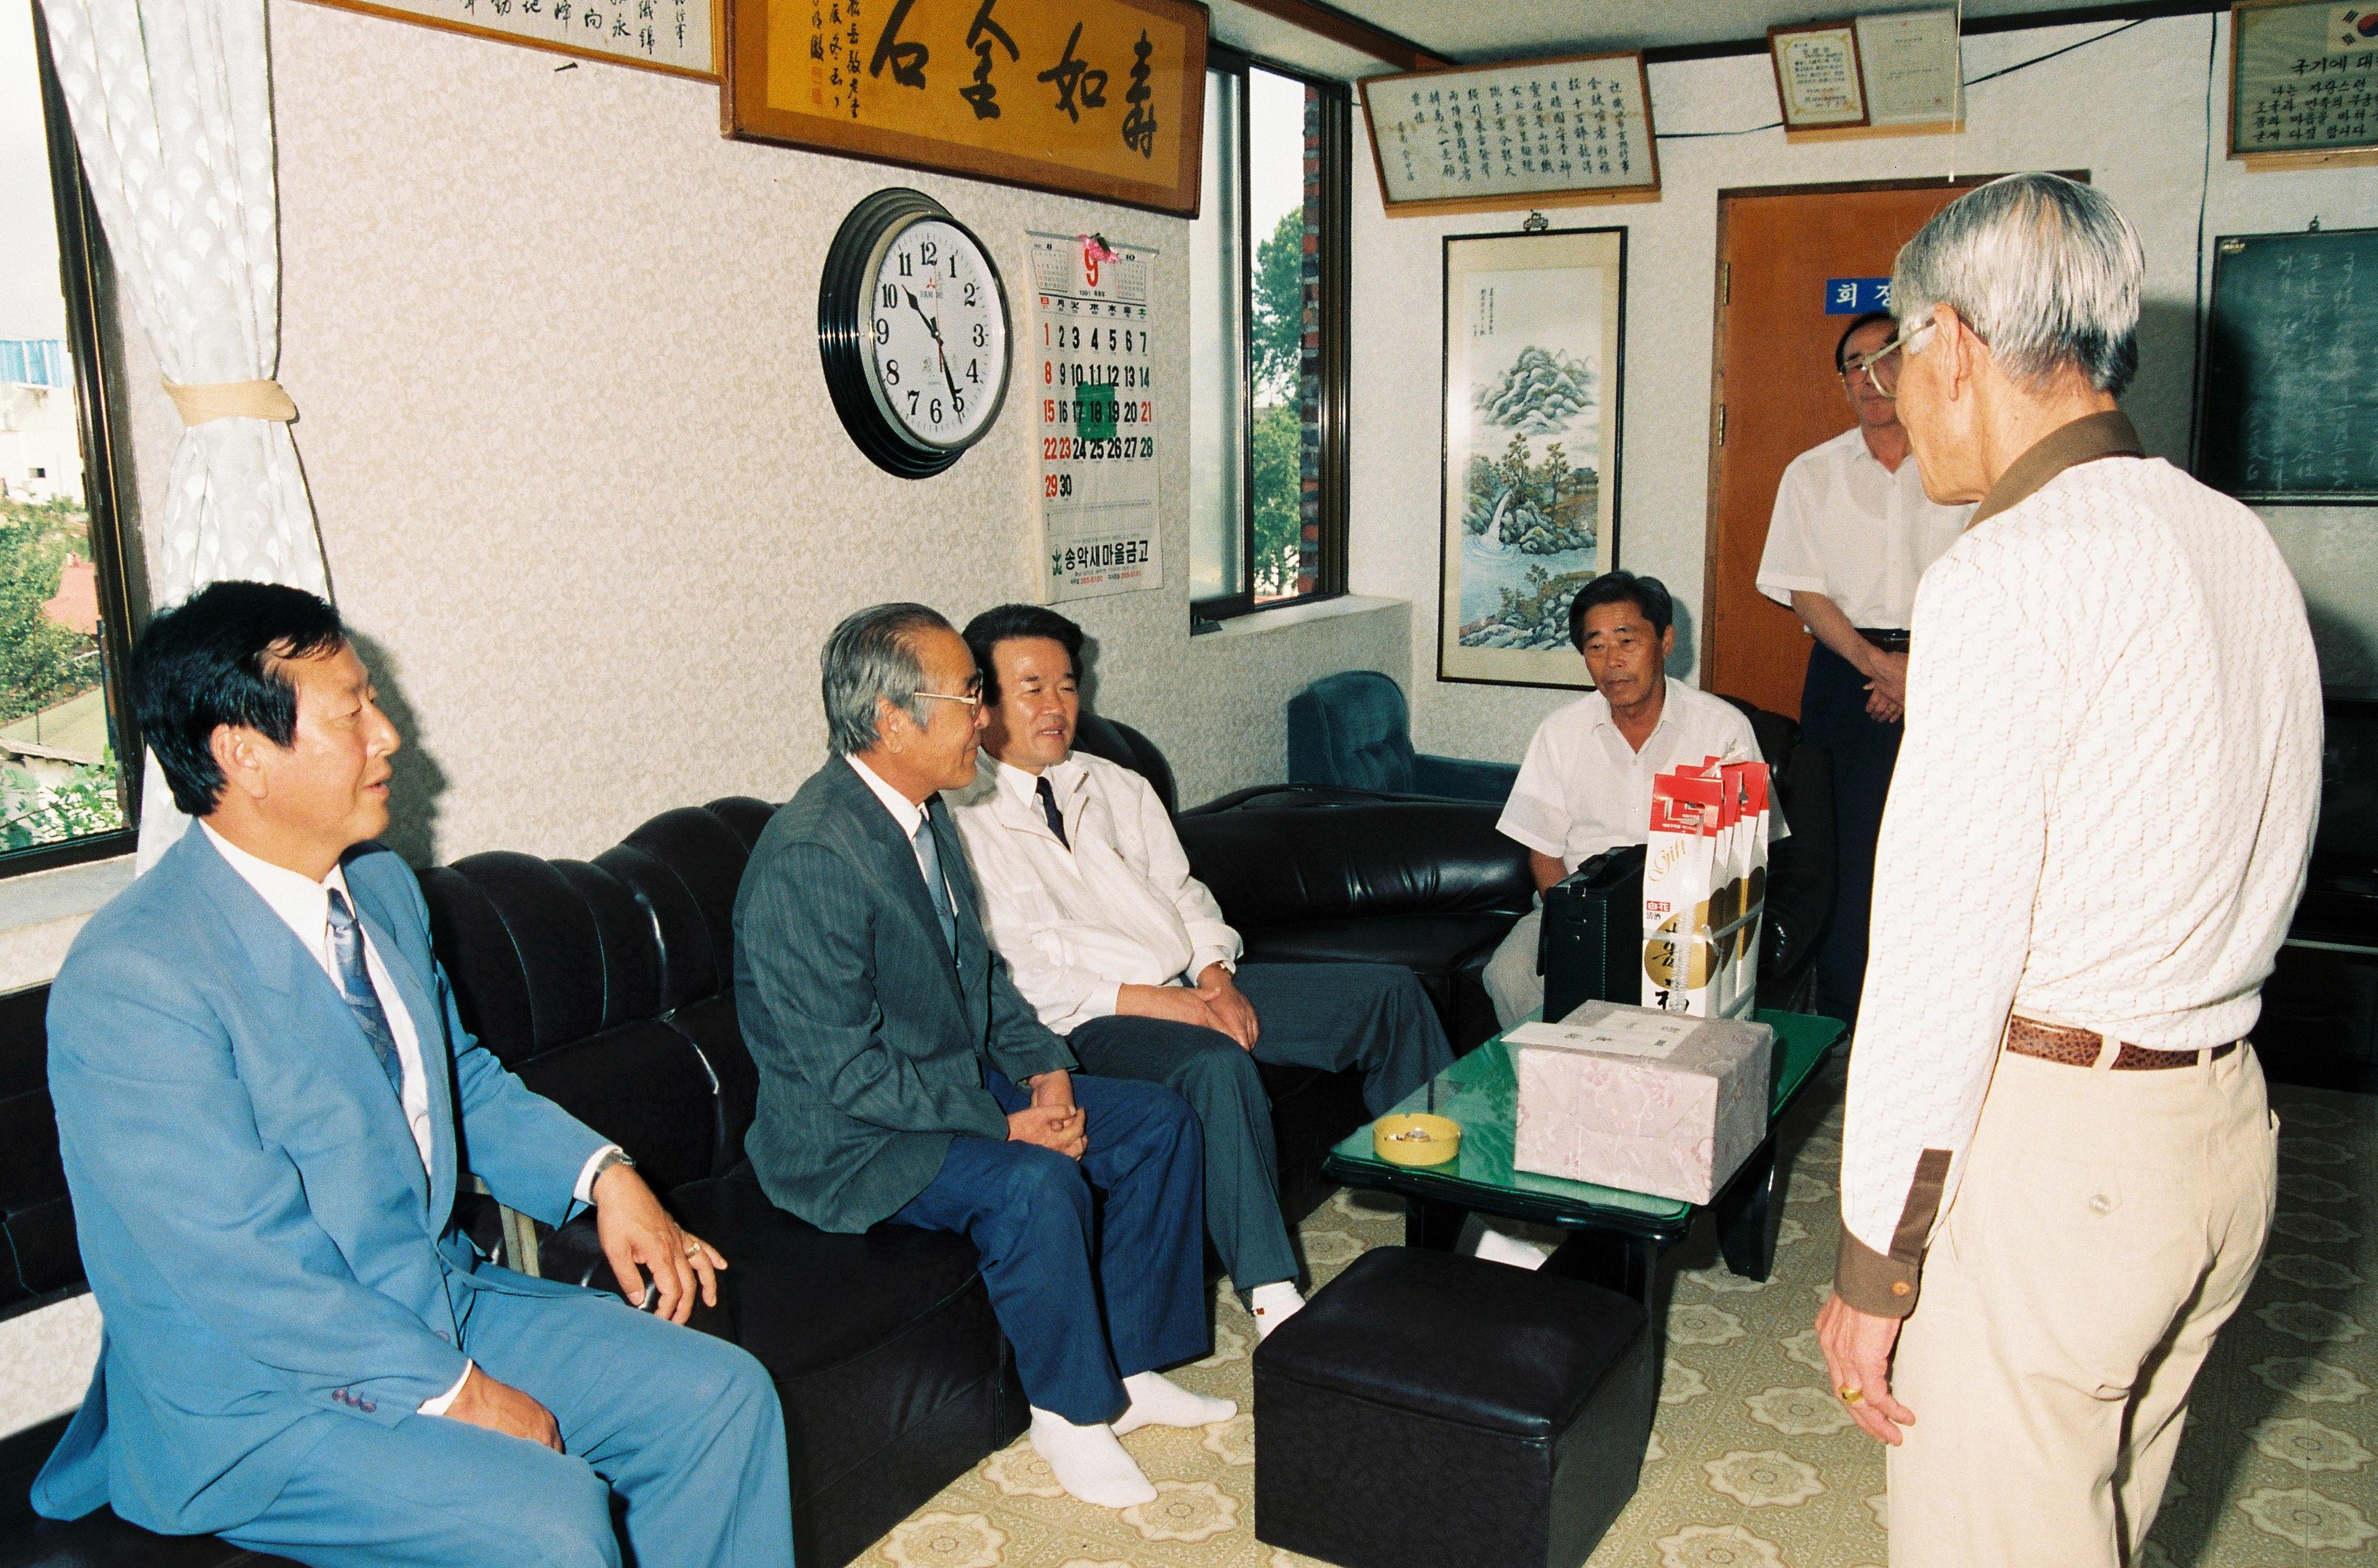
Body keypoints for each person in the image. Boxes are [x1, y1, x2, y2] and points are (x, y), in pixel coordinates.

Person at [32, 582, 803, 1568]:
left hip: (434, 1295)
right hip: (259, 1390)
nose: (389, 735)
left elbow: (459, 1078)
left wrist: (606, 1176)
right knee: (544, 1524)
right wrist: (459, 1394)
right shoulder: (137, 978)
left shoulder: (380, 890)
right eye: (353, 711)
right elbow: (241, 1271)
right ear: (243, 754)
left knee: (716, 1399)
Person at [1815, 174, 2320, 1568]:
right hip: (2216, 1134)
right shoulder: (2233, 538)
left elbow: (1940, 958)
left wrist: (1874, 1264)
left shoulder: (2004, 574)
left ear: (1956, 344)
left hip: (2059, 1169)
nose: (1894, 393)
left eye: (1896, 355)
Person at [733, 603, 1225, 1512]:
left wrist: (1047, 1070)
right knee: (1034, 1180)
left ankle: (1132, 1364)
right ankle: (1069, 1414)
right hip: (852, 1139)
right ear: (892, 719)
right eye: (969, 697)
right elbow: (846, 1074)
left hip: (946, 1086)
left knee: (1157, 1121)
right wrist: (1006, 1124)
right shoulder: (814, 854)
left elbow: (984, 975)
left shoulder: (925, 815)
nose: (986, 719)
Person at [946, 604, 1454, 1339]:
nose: (1055, 706)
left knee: (1388, 994)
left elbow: (1183, 894)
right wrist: (1165, 1004)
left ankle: (1454, 1216)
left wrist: (1214, 976)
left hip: (1185, 985)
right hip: (1082, 1024)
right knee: (1213, 1065)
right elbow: (1016, 975)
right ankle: (1271, 1293)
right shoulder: (959, 820)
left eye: (1066, 686)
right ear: (982, 701)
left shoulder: (1116, 785)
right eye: (1030, 689)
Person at [1756, 313, 1973, 1031]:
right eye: (1854, 364)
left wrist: (1923, 670)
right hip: (1844, 670)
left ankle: (1934, 1020)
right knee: (1844, 849)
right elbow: (1803, 591)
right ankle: (1843, 1020)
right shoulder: (1811, 473)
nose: (1870, 377)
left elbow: (1986, 581)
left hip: (1950, 664)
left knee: (1943, 845)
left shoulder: (1966, 472)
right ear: (1842, 383)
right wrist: (1880, 666)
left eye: (1887, 359)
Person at [1480, 571, 1775, 1030]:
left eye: (1627, 641)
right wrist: (1577, 924)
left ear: (1666, 641)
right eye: (1596, 646)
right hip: (1583, 906)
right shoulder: (1560, 732)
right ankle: (1560, 1072)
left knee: (1676, 1006)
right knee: (1507, 974)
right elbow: (1544, 851)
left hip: (1690, 913)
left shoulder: (1724, 729)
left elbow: (1747, 851)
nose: (1612, 661)